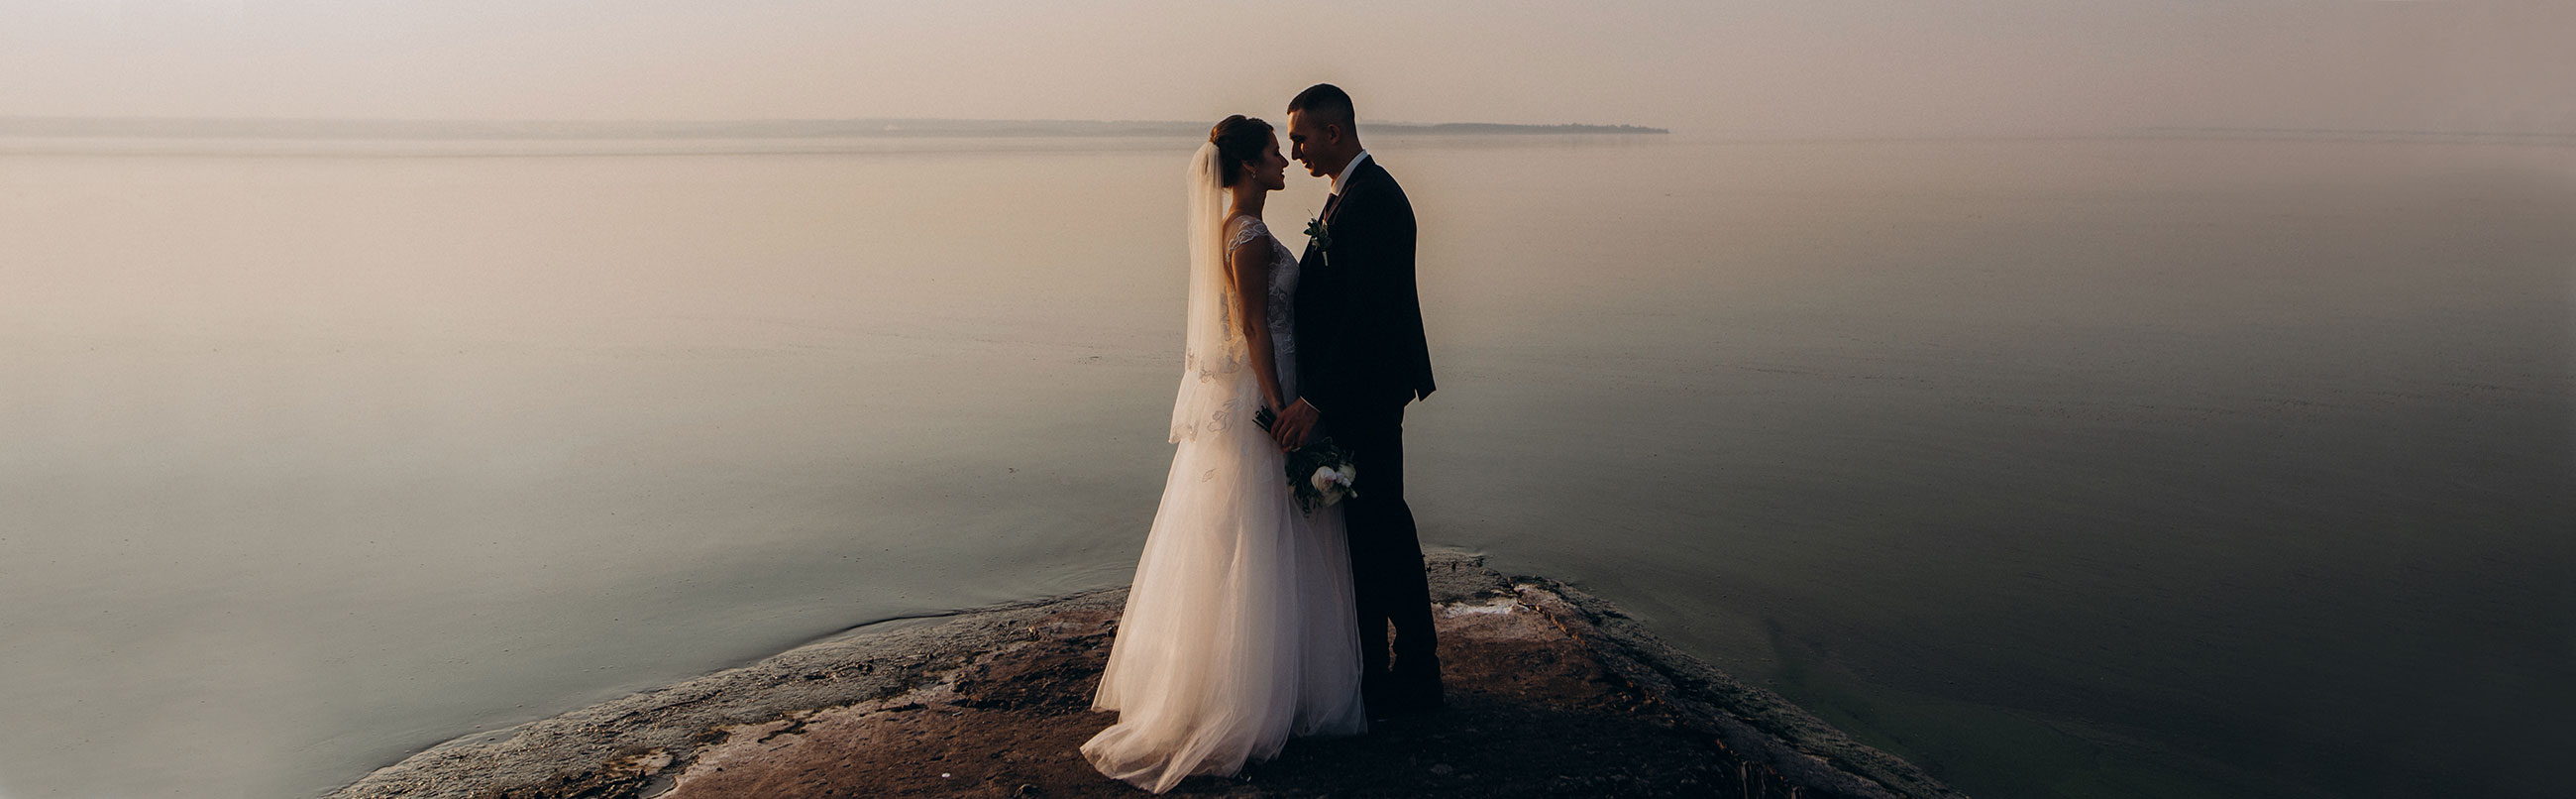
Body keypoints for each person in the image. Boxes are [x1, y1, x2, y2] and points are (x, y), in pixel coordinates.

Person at [1080, 115, 1367, 793]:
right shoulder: (1247, 236)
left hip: (1269, 389)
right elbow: (1251, 329)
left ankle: (1270, 680)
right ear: (1245, 166)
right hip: (1266, 395)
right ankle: (1248, 694)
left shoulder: (1244, 230)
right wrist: (1278, 410)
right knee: (1258, 530)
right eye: (1273, 152)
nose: (1284, 161)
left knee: (1259, 528)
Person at [1269, 83, 1442, 718]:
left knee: (1383, 526)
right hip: (1355, 391)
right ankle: (1377, 665)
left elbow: (1366, 316)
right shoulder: (1348, 195)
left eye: (1301, 138)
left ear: (1334, 132)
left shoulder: (1374, 200)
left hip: (1366, 394)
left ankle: (1418, 670)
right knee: (1368, 528)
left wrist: (1313, 398)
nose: (1295, 152)